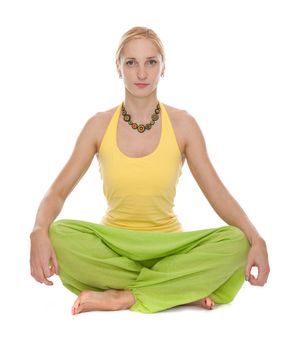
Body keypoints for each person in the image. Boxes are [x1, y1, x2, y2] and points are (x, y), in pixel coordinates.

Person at [29, 26, 270, 315]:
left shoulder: (184, 125)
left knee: (237, 242)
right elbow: (57, 192)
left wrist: (257, 239)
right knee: (58, 234)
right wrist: (38, 231)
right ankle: (175, 290)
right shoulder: (98, 125)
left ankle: (125, 296)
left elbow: (218, 194)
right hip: (114, 249)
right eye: (131, 63)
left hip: (169, 247)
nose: (141, 73)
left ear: (163, 68)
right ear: (118, 68)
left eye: (151, 62)